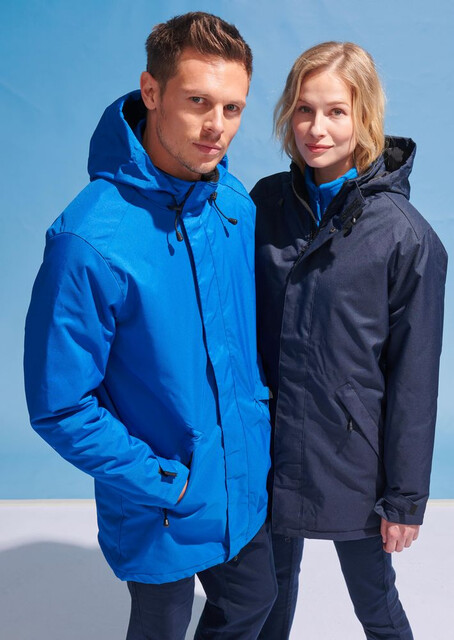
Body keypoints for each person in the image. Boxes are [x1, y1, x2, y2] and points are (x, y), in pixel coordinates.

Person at [24, 12, 276, 640]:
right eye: (198, 102)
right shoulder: (88, 240)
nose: (217, 127)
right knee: (161, 625)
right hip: (158, 495)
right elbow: (60, 405)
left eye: (233, 108)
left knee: (255, 599)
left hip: (238, 477)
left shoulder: (234, 207)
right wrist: (166, 481)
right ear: (152, 91)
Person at [252, 41, 447, 639]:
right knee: (262, 603)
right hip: (266, 451)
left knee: (375, 604)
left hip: (354, 458)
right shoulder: (264, 205)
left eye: (336, 111)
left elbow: (415, 379)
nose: (317, 128)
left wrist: (404, 499)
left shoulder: (406, 238)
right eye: (304, 110)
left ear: (365, 117)